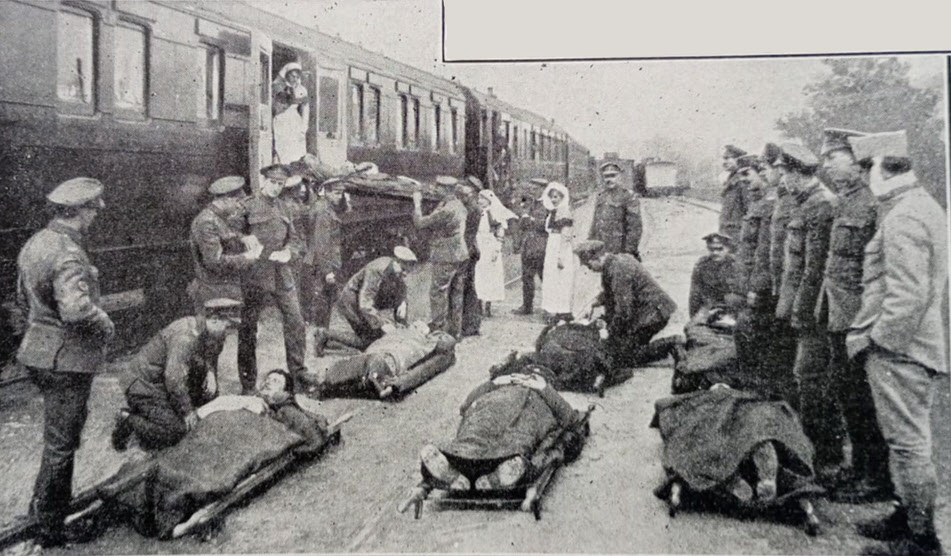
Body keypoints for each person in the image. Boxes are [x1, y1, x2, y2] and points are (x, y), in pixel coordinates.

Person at [846, 131, 948, 556]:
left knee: (908, 445)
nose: (864, 177)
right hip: (909, 349)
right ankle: (906, 515)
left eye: (866, 167)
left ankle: (921, 540)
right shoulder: (918, 207)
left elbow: (908, 296)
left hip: (901, 352)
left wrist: (878, 341)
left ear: (881, 167)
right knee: (904, 443)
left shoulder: (904, 217)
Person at [14, 177, 115, 547]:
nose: (94, 218)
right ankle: (52, 528)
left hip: (39, 350)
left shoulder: (36, 243)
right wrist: (104, 320)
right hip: (67, 359)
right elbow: (75, 311)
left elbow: (24, 301)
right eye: (92, 211)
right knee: (62, 443)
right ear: (78, 212)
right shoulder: (68, 252)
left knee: (57, 439)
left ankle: (40, 509)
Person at [815, 128, 891, 504]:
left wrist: (869, 324)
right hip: (838, 315)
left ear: (856, 159)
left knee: (865, 400)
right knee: (848, 396)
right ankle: (860, 468)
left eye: (833, 156)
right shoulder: (846, 200)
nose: (825, 163)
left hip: (861, 320)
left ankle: (877, 479)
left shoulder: (873, 203)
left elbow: (881, 271)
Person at [773, 143, 844, 483]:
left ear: (798, 173)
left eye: (785, 173)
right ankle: (816, 453)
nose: (782, 180)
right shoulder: (806, 204)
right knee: (805, 379)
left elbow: (815, 270)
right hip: (802, 310)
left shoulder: (821, 206)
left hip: (816, 314)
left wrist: (802, 313)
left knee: (813, 382)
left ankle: (825, 459)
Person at [417, 355, 586, 491]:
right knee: (476, 432)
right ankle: (454, 468)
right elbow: (465, 406)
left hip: (531, 413)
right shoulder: (502, 385)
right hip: (496, 406)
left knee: (518, 440)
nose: (527, 378)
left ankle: (501, 473)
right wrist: (495, 383)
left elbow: (570, 418)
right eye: (525, 374)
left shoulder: (548, 395)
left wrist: (543, 388)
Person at [111, 298, 242, 452]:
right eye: (227, 327)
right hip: (144, 385)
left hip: (164, 381)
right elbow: (174, 378)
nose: (229, 333)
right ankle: (128, 419)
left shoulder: (214, 333)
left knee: (210, 404)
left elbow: (210, 357)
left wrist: (211, 372)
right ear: (214, 320)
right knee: (176, 431)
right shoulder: (185, 337)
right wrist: (187, 412)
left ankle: (159, 417)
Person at [238, 164, 307, 394]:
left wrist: (289, 251)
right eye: (273, 182)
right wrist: (243, 239)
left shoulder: (285, 208)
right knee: (248, 328)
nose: (276, 188)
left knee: (296, 323)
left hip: (280, 273)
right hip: (255, 274)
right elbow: (232, 235)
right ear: (264, 181)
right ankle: (248, 385)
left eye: (281, 184)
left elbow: (296, 240)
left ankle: (298, 378)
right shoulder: (247, 206)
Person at [574, 240, 684, 369]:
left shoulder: (618, 270)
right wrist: (593, 303)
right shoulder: (614, 262)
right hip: (650, 310)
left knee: (624, 358)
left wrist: (609, 333)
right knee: (621, 347)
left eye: (588, 265)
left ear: (596, 258)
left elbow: (623, 312)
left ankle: (671, 343)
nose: (590, 269)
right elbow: (611, 293)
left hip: (653, 314)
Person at [197, 369, 330, 453]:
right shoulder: (251, 399)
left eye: (276, 381)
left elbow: (311, 433)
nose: (268, 382)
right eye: (267, 379)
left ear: (284, 392)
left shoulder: (284, 409)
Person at [314, 246, 417, 354]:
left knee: (377, 336)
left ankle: (330, 337)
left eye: (407, 272)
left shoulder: (395, 270)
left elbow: (401, 289)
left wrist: (403, 303)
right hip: (351, 301)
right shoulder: (377, 270)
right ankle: (325, 334)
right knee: (368, 342)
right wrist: (382, 324)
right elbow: (365, 303)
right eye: (403, 270)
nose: (404, 274)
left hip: (365, 302)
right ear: (396, 261)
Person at [320, 321, 456, 398]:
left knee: (377, 360)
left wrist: (401, 382)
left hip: (391, 357)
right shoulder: (397, 330)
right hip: (377, 352)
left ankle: (374, 377)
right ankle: (325, 379)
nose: (416, 325)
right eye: (415, 324)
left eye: (420, 326)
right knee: (367, 359)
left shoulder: (426, 340)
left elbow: (445, 344)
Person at [187, 176, 262, 315]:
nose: (240, 207)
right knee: (221, 335)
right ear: (226, 199)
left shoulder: (220, 217)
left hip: (226, 289)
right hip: (215, 294)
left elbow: (226, 234)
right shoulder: (206, 222)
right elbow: (214, 262)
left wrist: (243, 238)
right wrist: (246, 257)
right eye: (238, 202)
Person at [412, 176, 469, 337]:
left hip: (446, 255)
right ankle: (455, 331)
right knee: (456, 293)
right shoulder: (457, 204)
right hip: (460, 253)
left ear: (446, 190)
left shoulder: (446, 209)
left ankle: (439, 329)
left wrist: (417, 203)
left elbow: (420, 223)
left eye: (439, 188)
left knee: (438, 292)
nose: (436, 190)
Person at [589, 161, 643, 260]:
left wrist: (629, 252)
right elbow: (595, 224)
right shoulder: (601, 196)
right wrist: (590, 246)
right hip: (603, 250)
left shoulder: (628, 196)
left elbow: (634, 227)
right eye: (606, 176)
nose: (609, 179)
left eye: (612, 175)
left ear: (620, 176)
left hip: (620, 250)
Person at [511, 178, 549, 315]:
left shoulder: (548, 204)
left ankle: (549, 307)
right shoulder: (531, 203)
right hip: (528, 246)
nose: (532, 190)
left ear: (543, 189)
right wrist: (523, 219)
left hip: (541, 246)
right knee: (526, 277)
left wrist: (532, 220)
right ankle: (527, 307)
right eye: (532, 188)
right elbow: (522, 224)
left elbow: (548, 225)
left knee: (545, 277)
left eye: (535, 188)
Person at [474, 189, 515, 317]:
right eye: (479, 198)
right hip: (478, 243)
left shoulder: (496, 213)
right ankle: (478, 305)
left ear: (489, 200)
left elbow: (500, 232)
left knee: (490, 275)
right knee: (478, 274)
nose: (480, 201)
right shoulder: (478, 212)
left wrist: (496, 249)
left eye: (483, 199)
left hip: (490, 245)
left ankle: (488, 306)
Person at [540, 181, 575, 320]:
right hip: (552, 244)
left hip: (560, 246)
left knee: (561, 278)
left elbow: (566, 234)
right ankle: (551, 309)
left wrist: (561, 255)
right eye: (552, 197)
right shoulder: (553, 212)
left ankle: (561, 310)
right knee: (551, 278)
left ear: (562, 197)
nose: (554, 199)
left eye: (556, 197)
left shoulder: (564, 211)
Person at [687, 232, 741, 318]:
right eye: (711, 249)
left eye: (720, 249)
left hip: (732, 310)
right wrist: (694, 317)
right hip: (709, 308)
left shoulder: (736, 264)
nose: (715, 252)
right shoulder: (702, 265)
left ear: (728, 248)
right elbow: (695, 295)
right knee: (692, 328)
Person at [272, 62, 310, 164]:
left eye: (297, 76)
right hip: (281, 120)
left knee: (296, 151)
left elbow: (305, 110)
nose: (295, 79)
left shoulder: (302, 90)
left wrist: (303, 129)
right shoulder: (279, 87)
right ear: (287, 75)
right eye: (292, 76)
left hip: (295, 122)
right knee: (282, 150)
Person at [460, 177, 483, 336]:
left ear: (472, 191)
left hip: (467, 250)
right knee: (468, 287)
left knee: (466, 288)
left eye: (466, 189)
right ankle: (471, 323)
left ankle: (471, 325)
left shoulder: (472, 208)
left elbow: (466, 233)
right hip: (470, 249)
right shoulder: (471, 206)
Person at [719, 144, 750, 240]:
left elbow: (748, 210)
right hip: (727, 231)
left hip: (737, 233)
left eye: (727, 158)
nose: (724, 162)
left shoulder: (742, 181)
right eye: (723, 159)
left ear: (738, 160)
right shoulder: (731, 179)